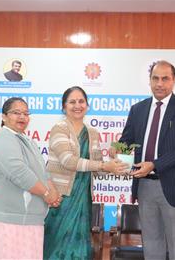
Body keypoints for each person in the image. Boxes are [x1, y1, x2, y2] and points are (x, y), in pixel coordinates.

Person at [111, 60, 175, 259]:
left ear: (174, 81)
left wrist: (155, 165)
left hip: (174, 186)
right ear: (149, 81)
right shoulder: (138, 109)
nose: (160, 83)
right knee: (151, 245)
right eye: (155, 78)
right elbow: (126, 141)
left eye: (165, 79)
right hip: (144, 186)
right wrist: (117, 149)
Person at [43, 86, 128, 260]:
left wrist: (117, 164)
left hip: (83, 198)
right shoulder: (59, 129)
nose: (77, 105)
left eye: (81, 101)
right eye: (72, 102)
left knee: (79, 247)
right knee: (56, 247)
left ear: (87, 106)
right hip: (61, 198)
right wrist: (104, 166)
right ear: (64, 107)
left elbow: (97, 169)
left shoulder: (93, 133)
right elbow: (68, 161)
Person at [0, 97, 60, 260]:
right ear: (4, 116)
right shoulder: (3, 138)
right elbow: (19, 173)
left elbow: (43, 172)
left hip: (29, 219)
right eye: (16, 113)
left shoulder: (29, 141)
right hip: (6, 218)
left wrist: (53, 192)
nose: (22, 117)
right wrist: (47, 194)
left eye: (26, 113)